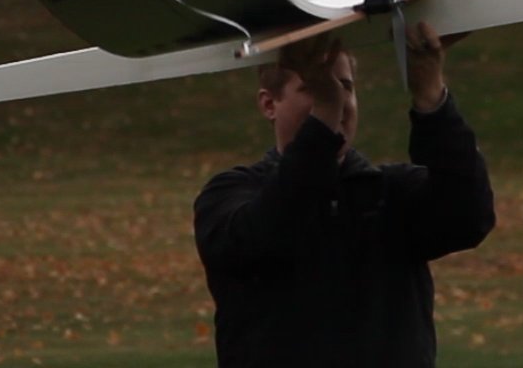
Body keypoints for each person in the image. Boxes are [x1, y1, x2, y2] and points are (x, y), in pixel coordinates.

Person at [193, 21, 495, 367]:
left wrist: (429, 94)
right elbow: (276, 227)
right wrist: (324, 117)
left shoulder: (390, 194)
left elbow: (469, 218)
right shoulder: (228, 196)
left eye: (345, 87)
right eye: (313, 87)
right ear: (268, 104)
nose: (338, 100)